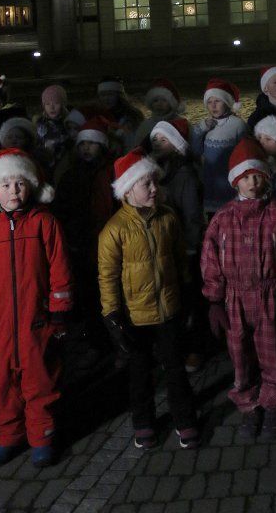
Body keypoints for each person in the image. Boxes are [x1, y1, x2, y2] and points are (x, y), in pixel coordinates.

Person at [0, 148, 73, 468]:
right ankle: (8, 436)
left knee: (40, 381)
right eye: (5, 184)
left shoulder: (45, 224)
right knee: (1, 385)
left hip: (35, 322)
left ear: (31, 187)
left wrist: (59, 312)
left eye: (20, 183)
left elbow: (59, 270)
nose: (13, 191)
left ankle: (42, 436)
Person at [200, 137, 276, 442]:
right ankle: (248, 405)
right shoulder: (223, 218)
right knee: (241, 356)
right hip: (234, 299)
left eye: (258, 176)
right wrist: (214, 300)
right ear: (236, 183)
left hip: (270, 295)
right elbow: (210, 258)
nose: (253, 183)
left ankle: (273, 403)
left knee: (271, 354)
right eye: (246, 178)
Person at [98, 147, 199, 451]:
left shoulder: (168, 218)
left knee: (176, 369)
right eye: (146, 184)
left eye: (155, 182)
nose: (155, 188)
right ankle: (143, 422)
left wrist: (187, 292)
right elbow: (107, 277)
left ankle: (185, 418)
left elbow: (180, 259)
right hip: (135, 317)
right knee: (140, 375)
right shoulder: (114, 230)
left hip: (168, 309)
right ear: (128, 191)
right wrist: (112, 315)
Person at [53, 117, 117, 365]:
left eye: (92, 143)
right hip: (81, 245)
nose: (87, 148)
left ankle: (117, 342)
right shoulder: (71, 176)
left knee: (111, 296)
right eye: (83, 144)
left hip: (108, 244)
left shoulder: (111, 171)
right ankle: (96, 342)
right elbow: (62, 209)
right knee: (90, 297)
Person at [149, 117, 206, 371]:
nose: (158, 144)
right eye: (155, 140)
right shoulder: (153, 170)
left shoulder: (183, 174)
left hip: (183, 248)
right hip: (162, 248)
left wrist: (191, 246)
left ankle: (194, 348)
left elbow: (192, 214)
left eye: (164, 139)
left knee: (189, 300)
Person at [190, 79, 248, 216]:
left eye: (218, 101)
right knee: (213, 219)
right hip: (212, 183)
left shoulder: (238, 125)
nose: (213, 106)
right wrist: (200, 130)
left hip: (231, 184)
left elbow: (245, 154)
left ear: (227, 102)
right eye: (209, 102)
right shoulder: (206, 125)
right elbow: (196, 151)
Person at [96, 76, 143, 152]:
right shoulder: (97, 116)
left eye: (110, 94)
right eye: (103, 95)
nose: (106, 98)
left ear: (119, 95)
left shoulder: (132, 117)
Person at [134, 78, 184, 146]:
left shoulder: (181, 124)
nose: (159, 104)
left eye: (164, 100)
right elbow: (136, 147)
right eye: (155, 100)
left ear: (171, 103)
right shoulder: (145, 126)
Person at [34, 84, 71, 173]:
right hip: (44, 167)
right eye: (47, 104)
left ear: (63, 104)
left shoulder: (70, 123)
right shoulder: (38, 125)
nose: (52, 107)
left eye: (56, 103)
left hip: (66, 168)